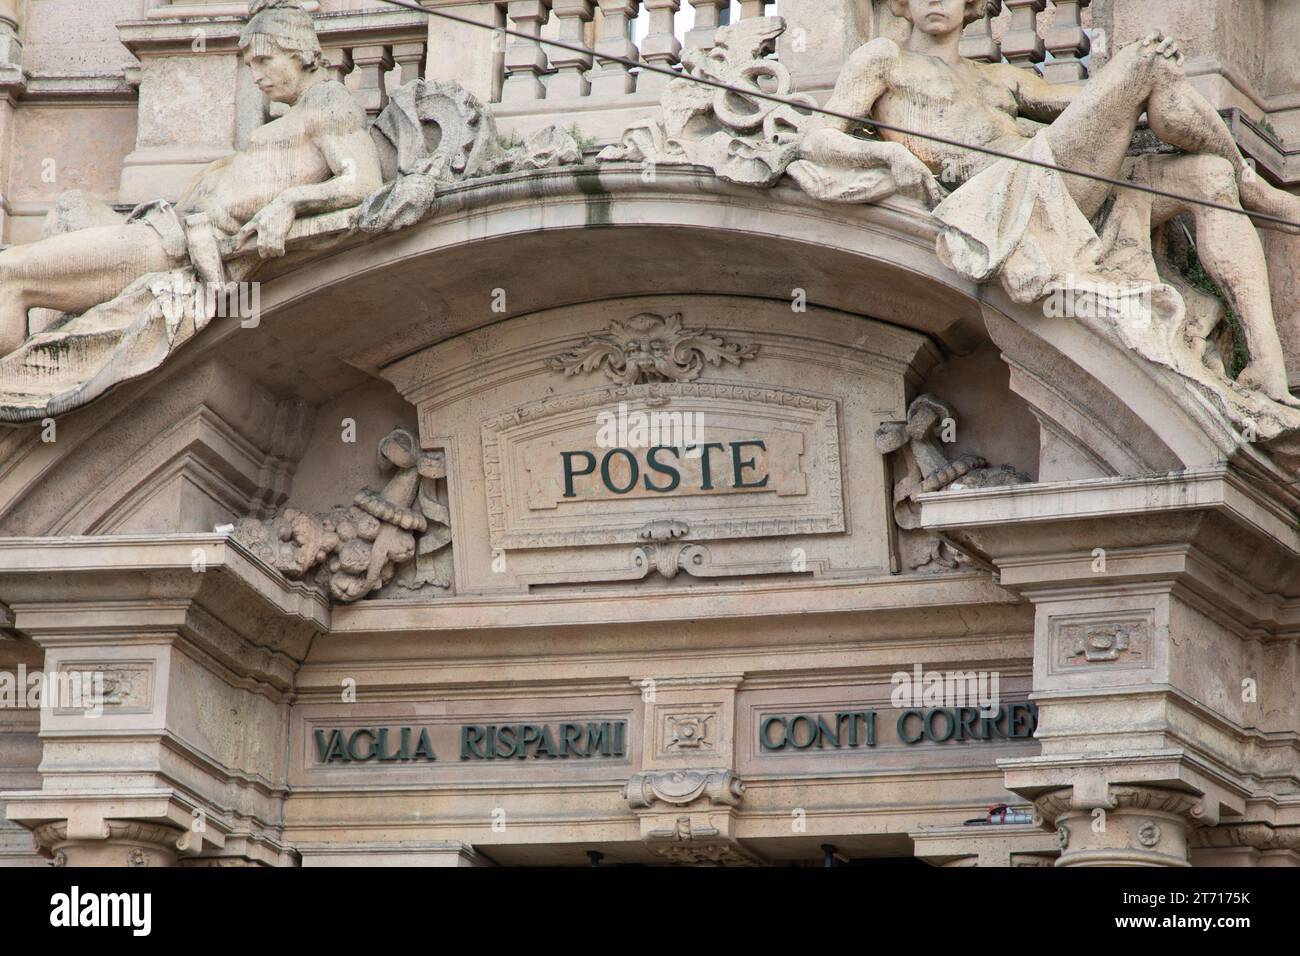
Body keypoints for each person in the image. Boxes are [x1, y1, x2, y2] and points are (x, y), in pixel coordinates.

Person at [803, 0, 1299, 404]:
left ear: (972, 5)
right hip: (1007, 194)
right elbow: (817, 139)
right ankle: (1254, 187)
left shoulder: (999, 79)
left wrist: (1149, 66)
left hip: (1052, 180)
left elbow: (1085, 105)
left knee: (1207, 174)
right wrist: (888, 154)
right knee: (1143, 64)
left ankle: (1267, 366)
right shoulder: (885, 58)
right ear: (901, 4)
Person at [0, 0, 382, 356]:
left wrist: (289, 202)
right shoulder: (293, 117)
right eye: (250, 65)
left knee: (9, 274)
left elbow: (363, 182)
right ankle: (34, 362)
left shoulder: (329, 102)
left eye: (265, 60)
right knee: (70, 208)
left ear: (300, 53)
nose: (256, 76)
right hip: (164, 224)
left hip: (175, 245)